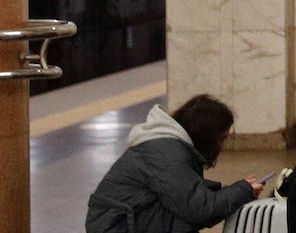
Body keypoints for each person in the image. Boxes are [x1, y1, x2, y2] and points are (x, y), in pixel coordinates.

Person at [85, 94, 263, 233]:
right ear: (207, 135)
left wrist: (232, 191)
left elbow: (188, 193)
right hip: (119, 226)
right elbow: (200, 210)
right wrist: (242, 190)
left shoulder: (170, 146)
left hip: (124, 220)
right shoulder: (167, 154)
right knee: (184, 219)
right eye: (222, 138)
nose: (222, 146)